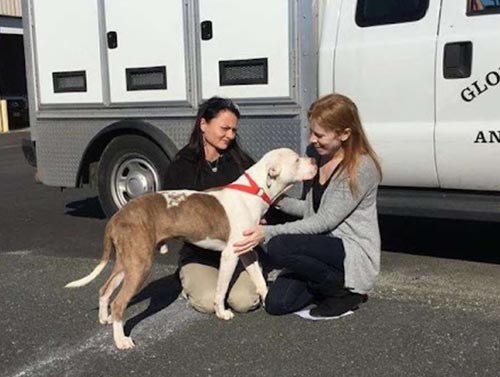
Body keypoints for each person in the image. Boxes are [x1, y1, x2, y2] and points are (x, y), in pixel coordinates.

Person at [234, 93, 383, 319]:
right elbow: (311, 209)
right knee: (277, 304)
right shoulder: (317, 155)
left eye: (319, 134)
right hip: (319, 246)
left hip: (349, 250)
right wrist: (272, 203)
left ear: (344, 134)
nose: (312, 139)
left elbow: (324, 221)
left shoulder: (361, 167)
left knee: (279, 246)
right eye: (312, 131)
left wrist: (267, 232)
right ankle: (323, 283)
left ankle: (344, 292)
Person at [163, 96, 260, 314]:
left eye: (234, 130)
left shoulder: (241, 162)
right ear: (203, 124)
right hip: (200, 252)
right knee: (207, 302)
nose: (230, 136)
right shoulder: (182, 165)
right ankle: (188, 276)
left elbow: (262, 197)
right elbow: (171, 212)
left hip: (238, 250)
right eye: (224, 128)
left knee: (244, 301)